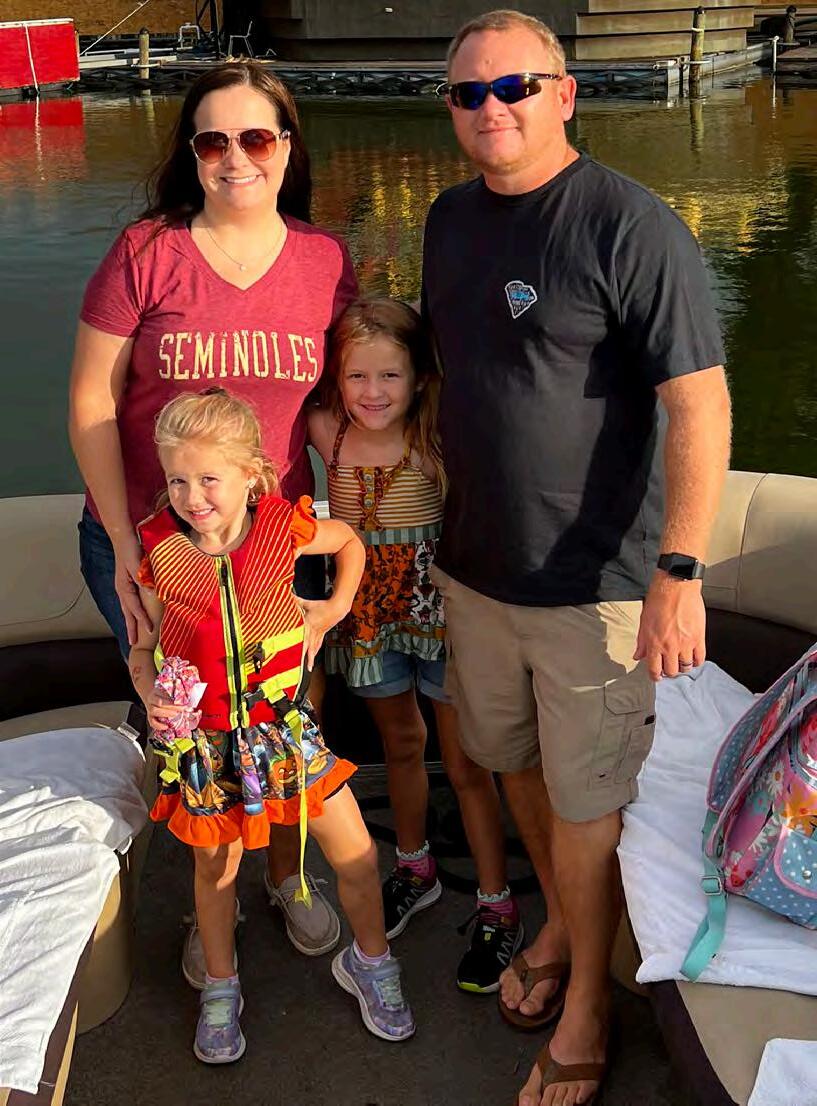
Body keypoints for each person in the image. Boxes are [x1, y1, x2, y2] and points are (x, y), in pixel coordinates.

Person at [423, 11, 732, 1106]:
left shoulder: (631, 224)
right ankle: (560, 922)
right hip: (473, 569)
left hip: (592, 582)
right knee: (510, 758)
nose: (490, 108)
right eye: (468, 93)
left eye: (513, 86)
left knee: (588, 798)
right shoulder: (445, 220)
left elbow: (698, 406)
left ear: (563, 94)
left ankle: (591, 1002)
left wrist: (678, 571)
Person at [68, 61, 357, 981]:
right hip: (158, 546)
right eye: (213, 140)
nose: (237, 158)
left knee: (285, 711)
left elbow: (334, 402)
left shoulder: (324, 260)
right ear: (192, 154)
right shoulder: (146, 250)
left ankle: (285, 874)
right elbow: (91, 401)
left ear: (287, 148)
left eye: (256, 137)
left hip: (273, 545)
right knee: (190, 725)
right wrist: (125, 544)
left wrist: (374, 496)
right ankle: (212, 906)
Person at [130, 388, 414, 1062]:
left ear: (251, 475)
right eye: (177, 480)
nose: (191, 497)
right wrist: (150, 693)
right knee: (215, 870)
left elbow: (350, 543)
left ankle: (371, 961)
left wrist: (332, 609)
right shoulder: (159, 549)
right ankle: (220, 985)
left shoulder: (285, 526)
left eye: (208, 479)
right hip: (206, 745)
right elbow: (144, 648)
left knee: (355, 853)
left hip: (284, 732)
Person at [309, 297, 523, 994]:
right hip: (368, 616)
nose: (372, 392)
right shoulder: (325, 431)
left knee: (464, 762)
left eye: (389, 376)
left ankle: (497, 901)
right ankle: (414, 865)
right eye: (356, 376)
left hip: (440, 615)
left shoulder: (436, 437)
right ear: (336, 380)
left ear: (420, 378)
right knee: (400, 743)